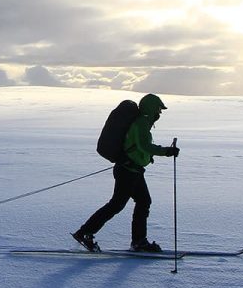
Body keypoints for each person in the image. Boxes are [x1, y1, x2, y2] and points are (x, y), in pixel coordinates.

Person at [73, 93, 179, 252]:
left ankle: (137, 241)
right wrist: (166, 151)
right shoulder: (141, 123)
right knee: (118, 204)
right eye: (158, 109)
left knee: (141, 202)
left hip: (132, 170)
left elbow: (139, 147)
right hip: (128, 171)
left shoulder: (143, 122)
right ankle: (86, 233)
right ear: (151, 108)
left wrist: (146, 157)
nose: (160, 113)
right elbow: (144, 146)